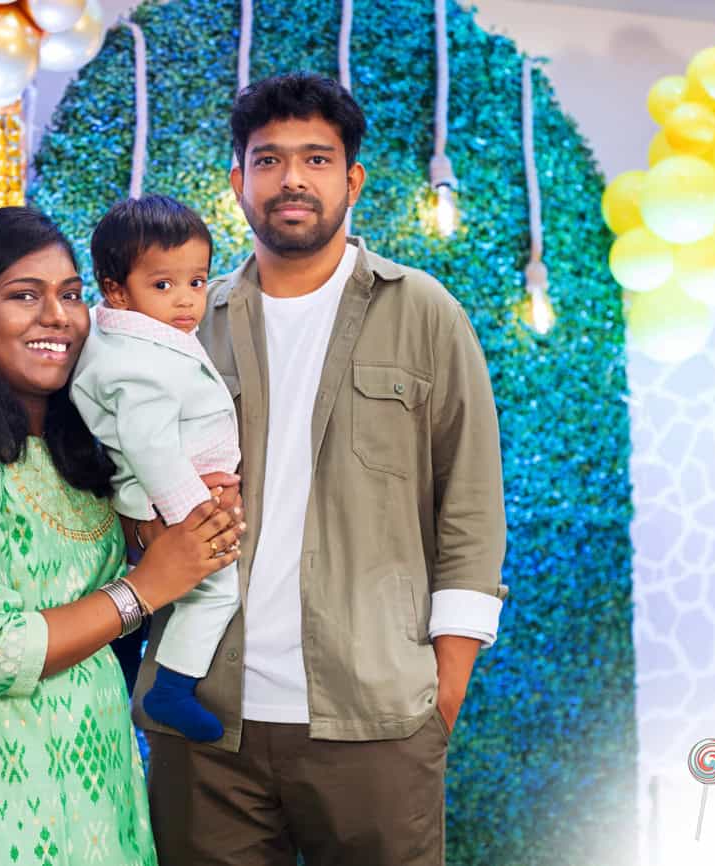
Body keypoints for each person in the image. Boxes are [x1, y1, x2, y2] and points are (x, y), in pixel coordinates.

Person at [132, 74, 509, 866]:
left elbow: (471, 506)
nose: (292, 179)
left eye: (316, 158)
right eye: (268, 160)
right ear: (237, 183)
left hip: (376, 720)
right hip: (207, 721)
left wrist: (444, 686)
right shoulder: (187, 330)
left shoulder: (425, 312)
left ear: (352, 180)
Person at [0, 206, 243, 866]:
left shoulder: (77, 449)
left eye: (71, 294)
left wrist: (167, 527)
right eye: (24, 295)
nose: (57, 315)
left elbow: (89, 559)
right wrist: (145, 587)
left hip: (93, 764)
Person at [71, 195, 241, 743]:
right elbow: (152, 449)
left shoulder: (138, 337)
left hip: (175, 491)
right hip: (168, 498)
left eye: (197, 281)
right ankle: (171, 687)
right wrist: (196, 519)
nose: (187, 301)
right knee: (217, 590)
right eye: (163, 285)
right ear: (116, 289)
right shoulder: (137, 363)